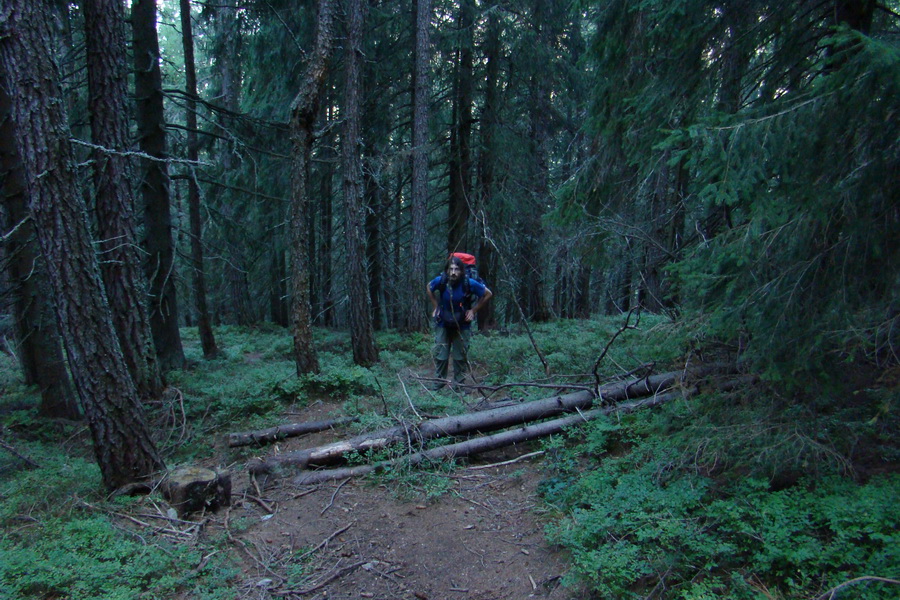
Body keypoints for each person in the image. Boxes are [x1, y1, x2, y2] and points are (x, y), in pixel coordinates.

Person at [426, 255, 492, 389]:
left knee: (460, 356)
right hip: (442, 323)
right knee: (441, 354)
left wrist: (473, 310)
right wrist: (435, 306)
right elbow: (429, 287)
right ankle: (438, 384)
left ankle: (459, 386)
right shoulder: (442, 281)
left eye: (456, 269)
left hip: (463, 324)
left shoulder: (469, 283)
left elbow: (488, 293)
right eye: (451, 269)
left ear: (462, 271)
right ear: (446, 270)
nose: (453, 272)